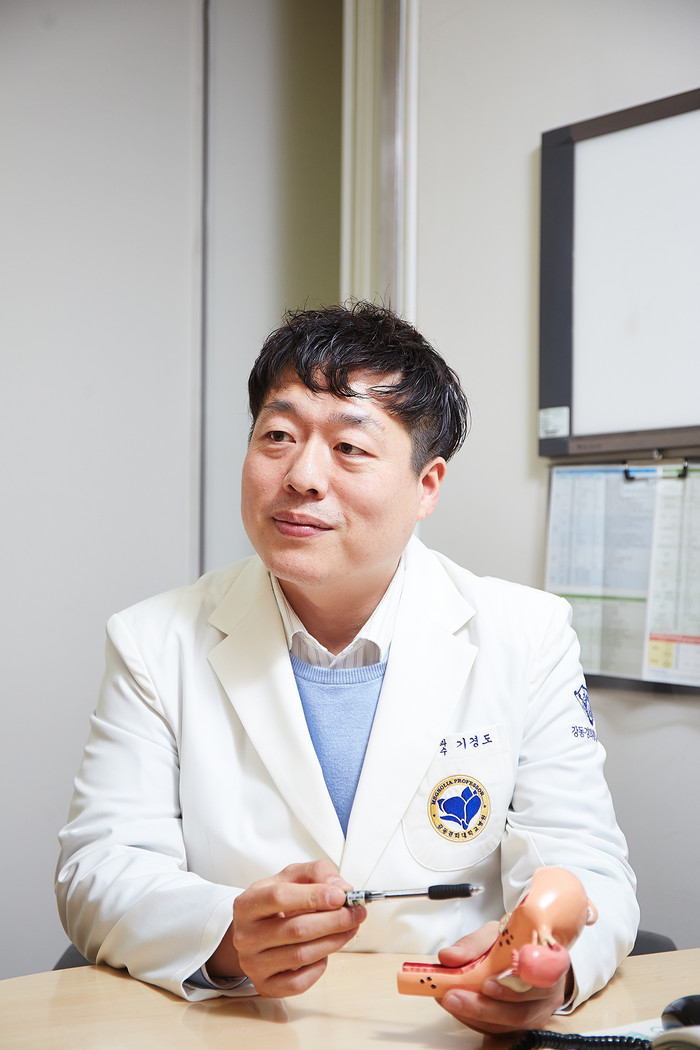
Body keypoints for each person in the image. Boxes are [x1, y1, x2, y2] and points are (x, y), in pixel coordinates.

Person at [56, 301, 638, 1035]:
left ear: (427, 486)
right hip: (243, 1026)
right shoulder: (152, 640)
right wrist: (227, 934)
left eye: (350, 447)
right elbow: (99, 869)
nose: (302, 475)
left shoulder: (526, 634)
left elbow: (587, 865)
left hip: (448, 1024)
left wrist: (545, 969)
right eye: (277, 436)